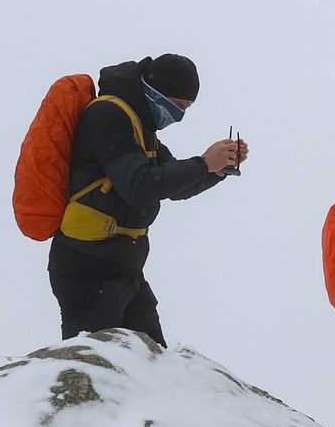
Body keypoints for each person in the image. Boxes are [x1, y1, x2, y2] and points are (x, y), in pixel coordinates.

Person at [48, 54, 247, 345]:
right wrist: (204, 163)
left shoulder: (142, 127)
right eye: (178, 106)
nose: (178, 116)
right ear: (157, 92)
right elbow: (138, 186)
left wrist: (216, 170)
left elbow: (173, 187)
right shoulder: (107, 116)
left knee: (152, 368)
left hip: (124, 266)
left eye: (186, 109)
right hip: (88, 267)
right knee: (100, 368)